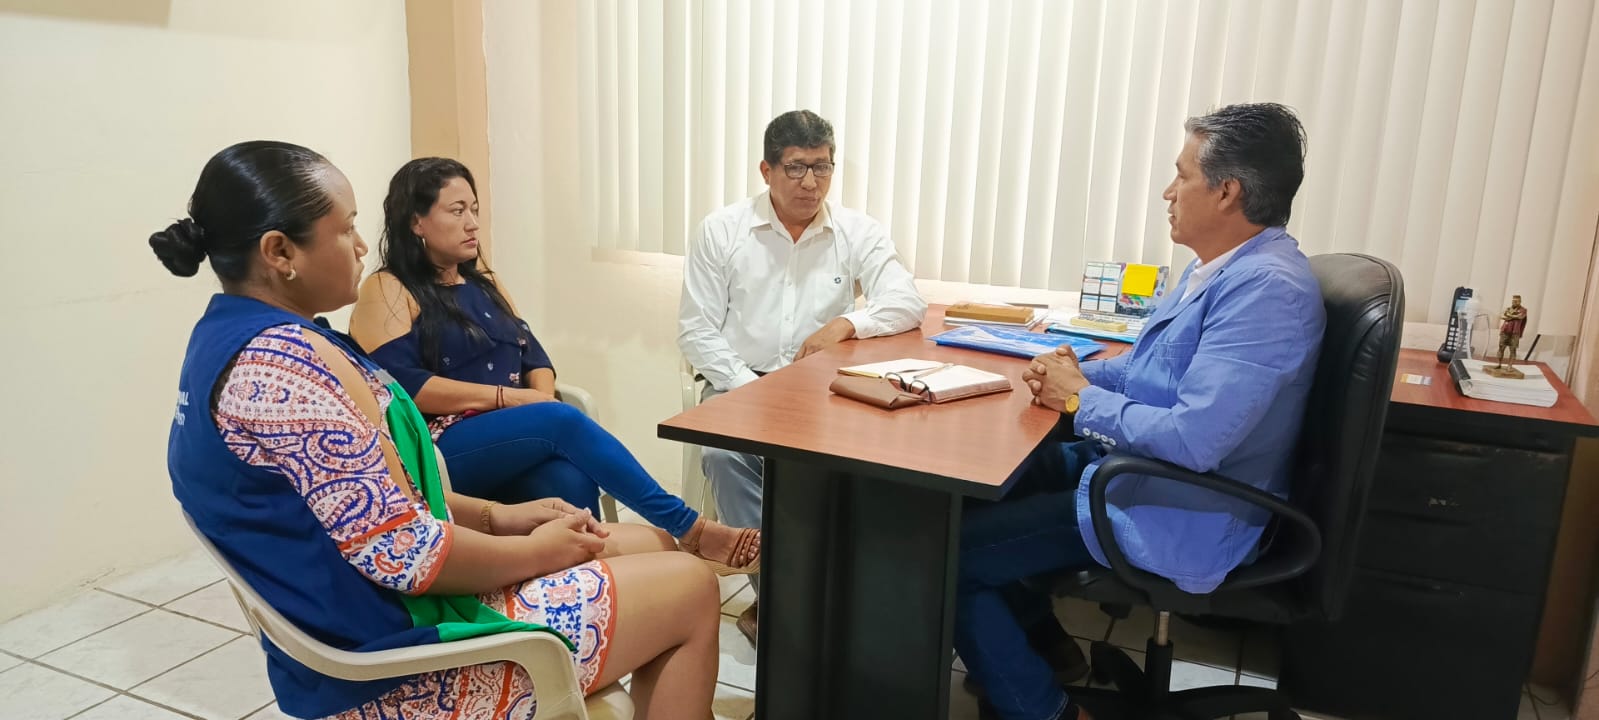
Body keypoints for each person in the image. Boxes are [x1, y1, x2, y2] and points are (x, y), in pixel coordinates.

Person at [156, 141, 720, 720]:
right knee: (692, 585)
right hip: (399, 666)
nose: (359, 245)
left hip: (387, 600)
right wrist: (533, 552)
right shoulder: (283, 372)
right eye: (345, 229)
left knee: (652, 544)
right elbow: (407, 557)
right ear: (279, 252)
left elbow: (383, 501)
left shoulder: (236, 337)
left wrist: (499, 517)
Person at [955, 103, 1327, 720]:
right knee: (978, 489)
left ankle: (1048, 710)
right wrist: (1069, 372)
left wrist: (1079, 398)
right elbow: (1149, 372)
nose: (1168, 192)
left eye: (1182, 175)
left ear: (1227, 191)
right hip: (1142, 472)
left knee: (953, 558)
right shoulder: (1221, 267)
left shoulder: (1267, 292)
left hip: (1185, 507)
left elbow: (1195, 439)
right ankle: (1047, 650)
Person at [349, 158, 758, 575]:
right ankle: (691, 528)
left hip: (510, 436)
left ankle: (581, 593)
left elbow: (535, 357)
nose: (472, 223)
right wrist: (514, 402)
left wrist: (540, 404)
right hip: (439, 447)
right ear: (416, 222)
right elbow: (404, 388)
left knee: (568, 480)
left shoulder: (483, 283)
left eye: (474, 209)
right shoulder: (387, 288)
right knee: (560, 421)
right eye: (457, 211)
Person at [677, 109, 928, 643]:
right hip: (739, 381)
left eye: (822, 167)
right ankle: (780, 597)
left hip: (821, 391)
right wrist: (756, 390)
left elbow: (907, 302)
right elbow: (697, 332)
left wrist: (847, 322)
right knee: (722, 455)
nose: (811, 182)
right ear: (766, 170)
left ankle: (837, 589)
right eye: (796, 168)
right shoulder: (722, 230)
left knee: (873, 460)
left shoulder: (856, 231)